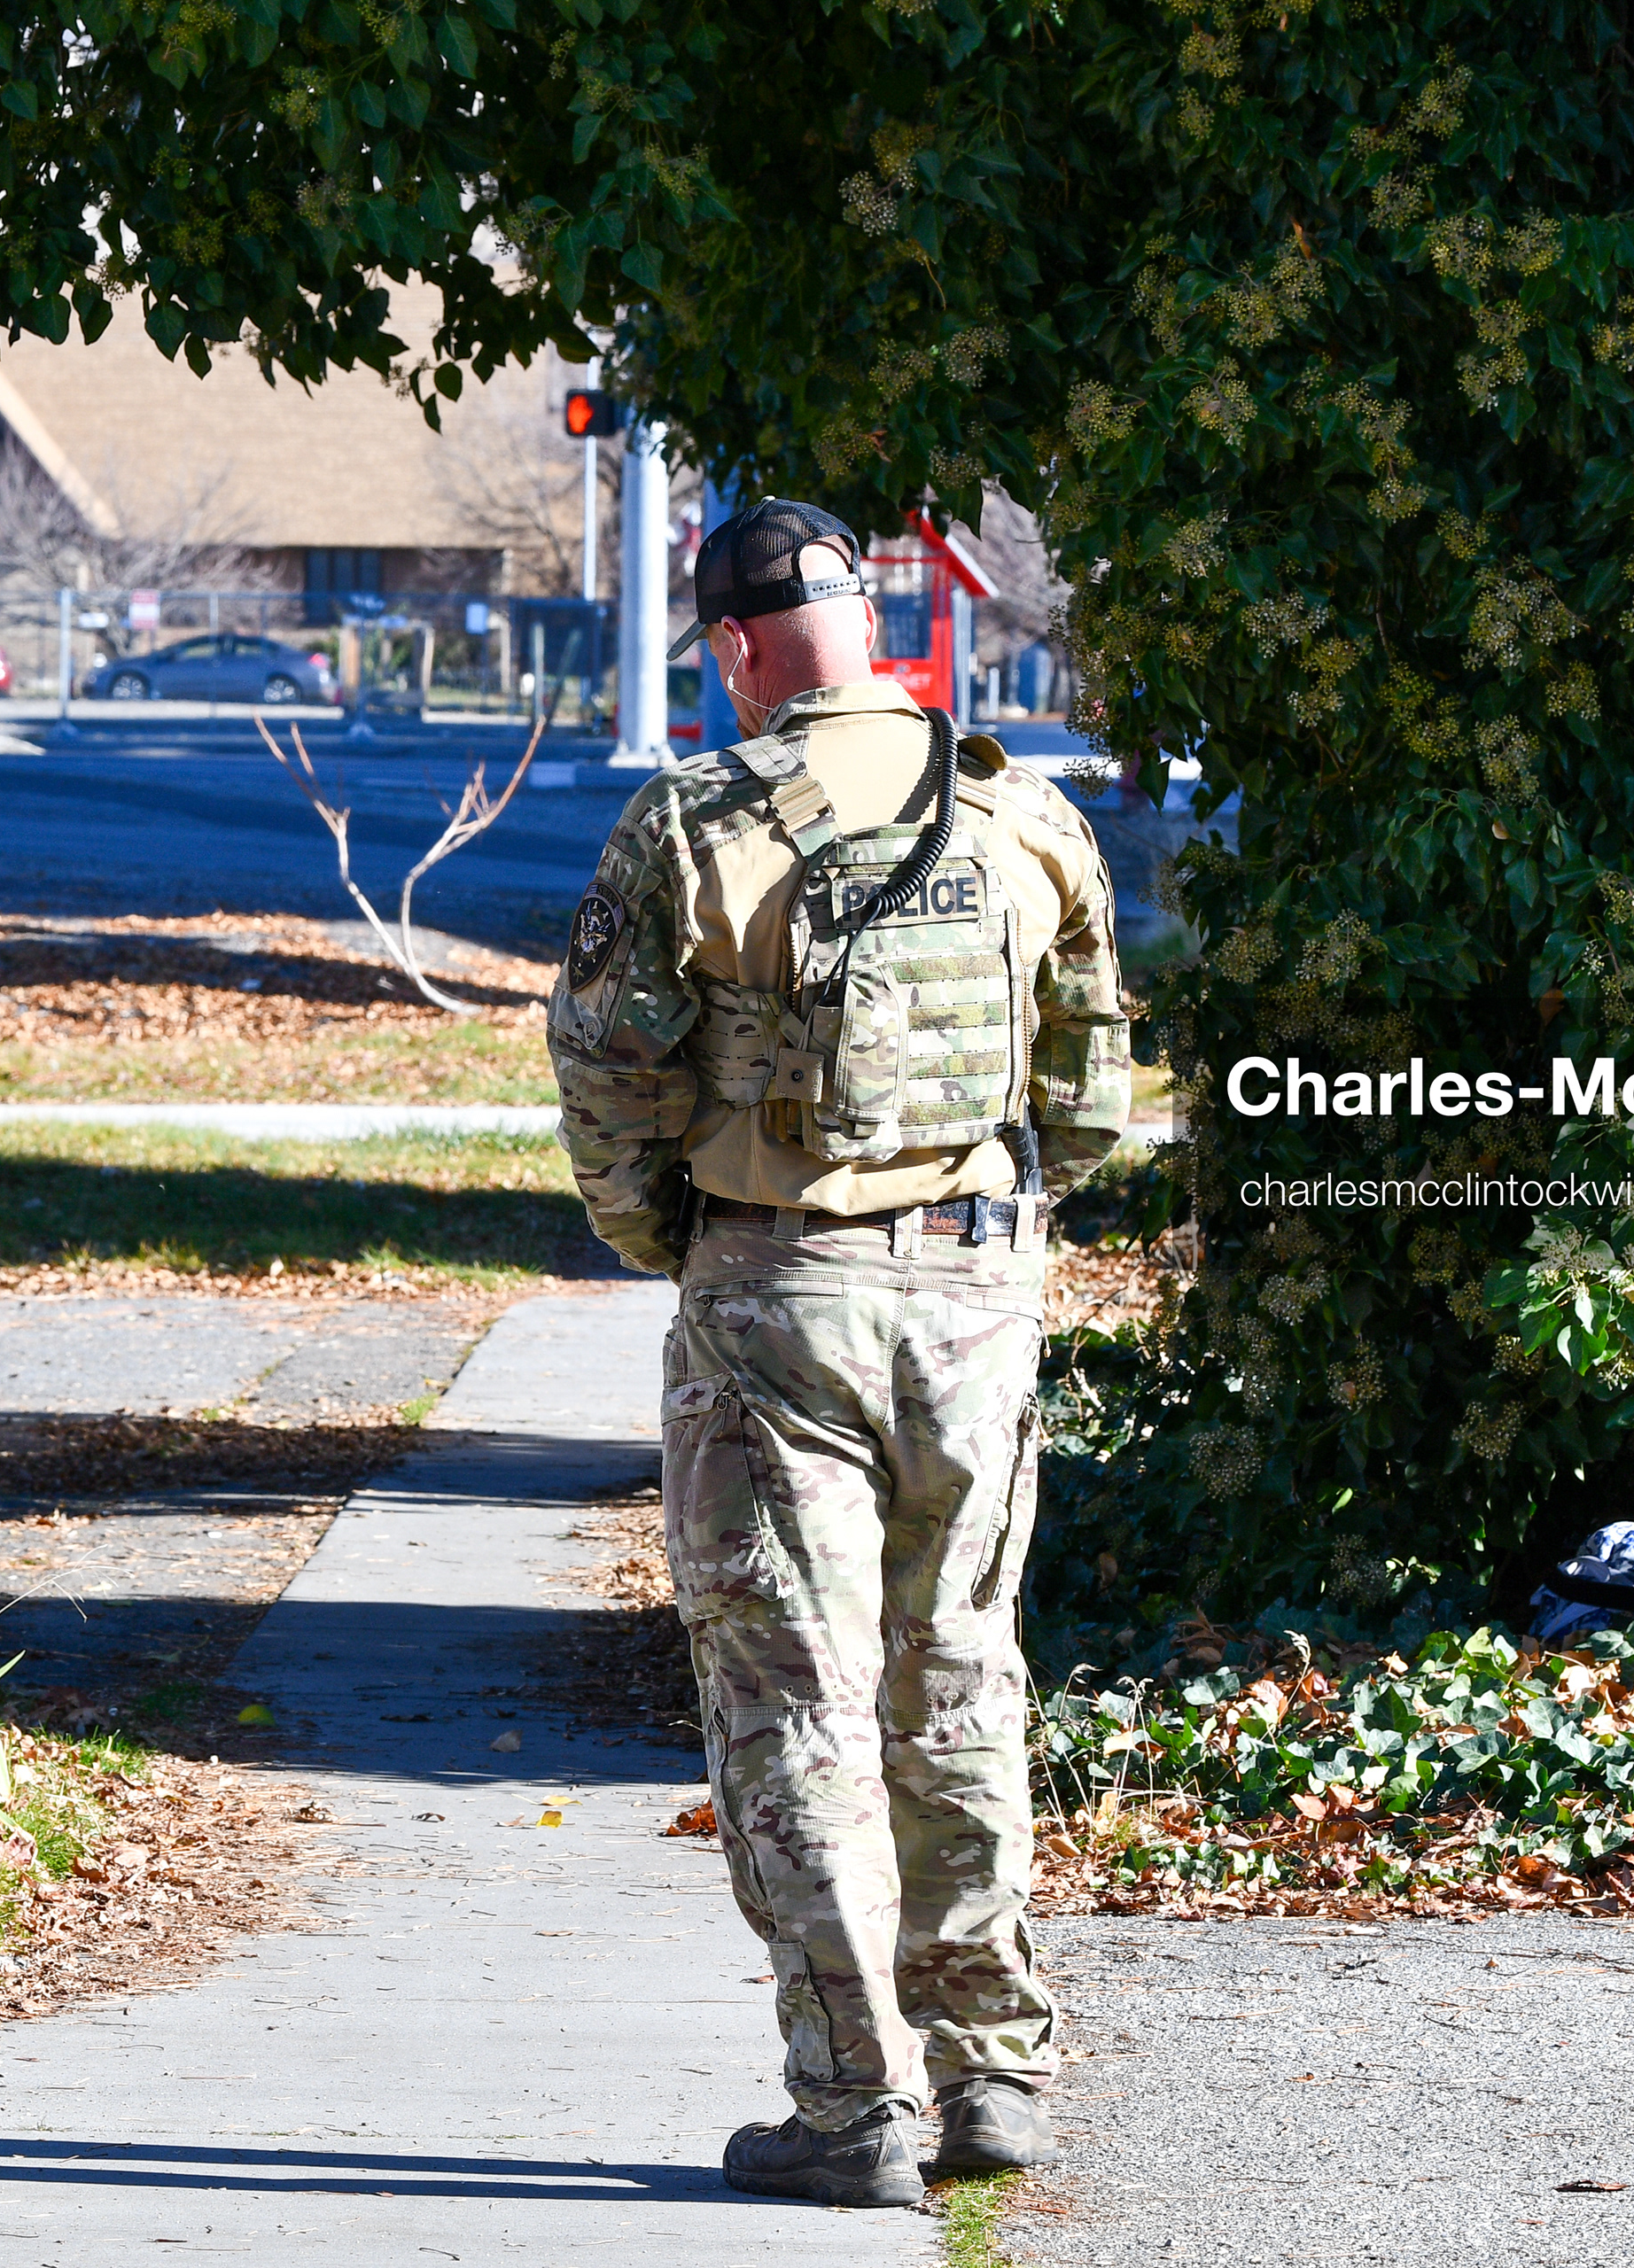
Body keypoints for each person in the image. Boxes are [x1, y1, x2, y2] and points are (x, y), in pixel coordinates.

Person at [546, 499, 1134, 2209]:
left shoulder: (691, 823)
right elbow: (1092, 1093)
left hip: (774, 1290)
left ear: (736, 646)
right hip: (977, 1298)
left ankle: (852, 2106)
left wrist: (677, 1239)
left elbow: (608, 1081)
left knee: (791, 1700)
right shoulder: (1022, 810)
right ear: (868, 622)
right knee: (959, 1672)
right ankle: (991, 2074)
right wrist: (995, 1222)